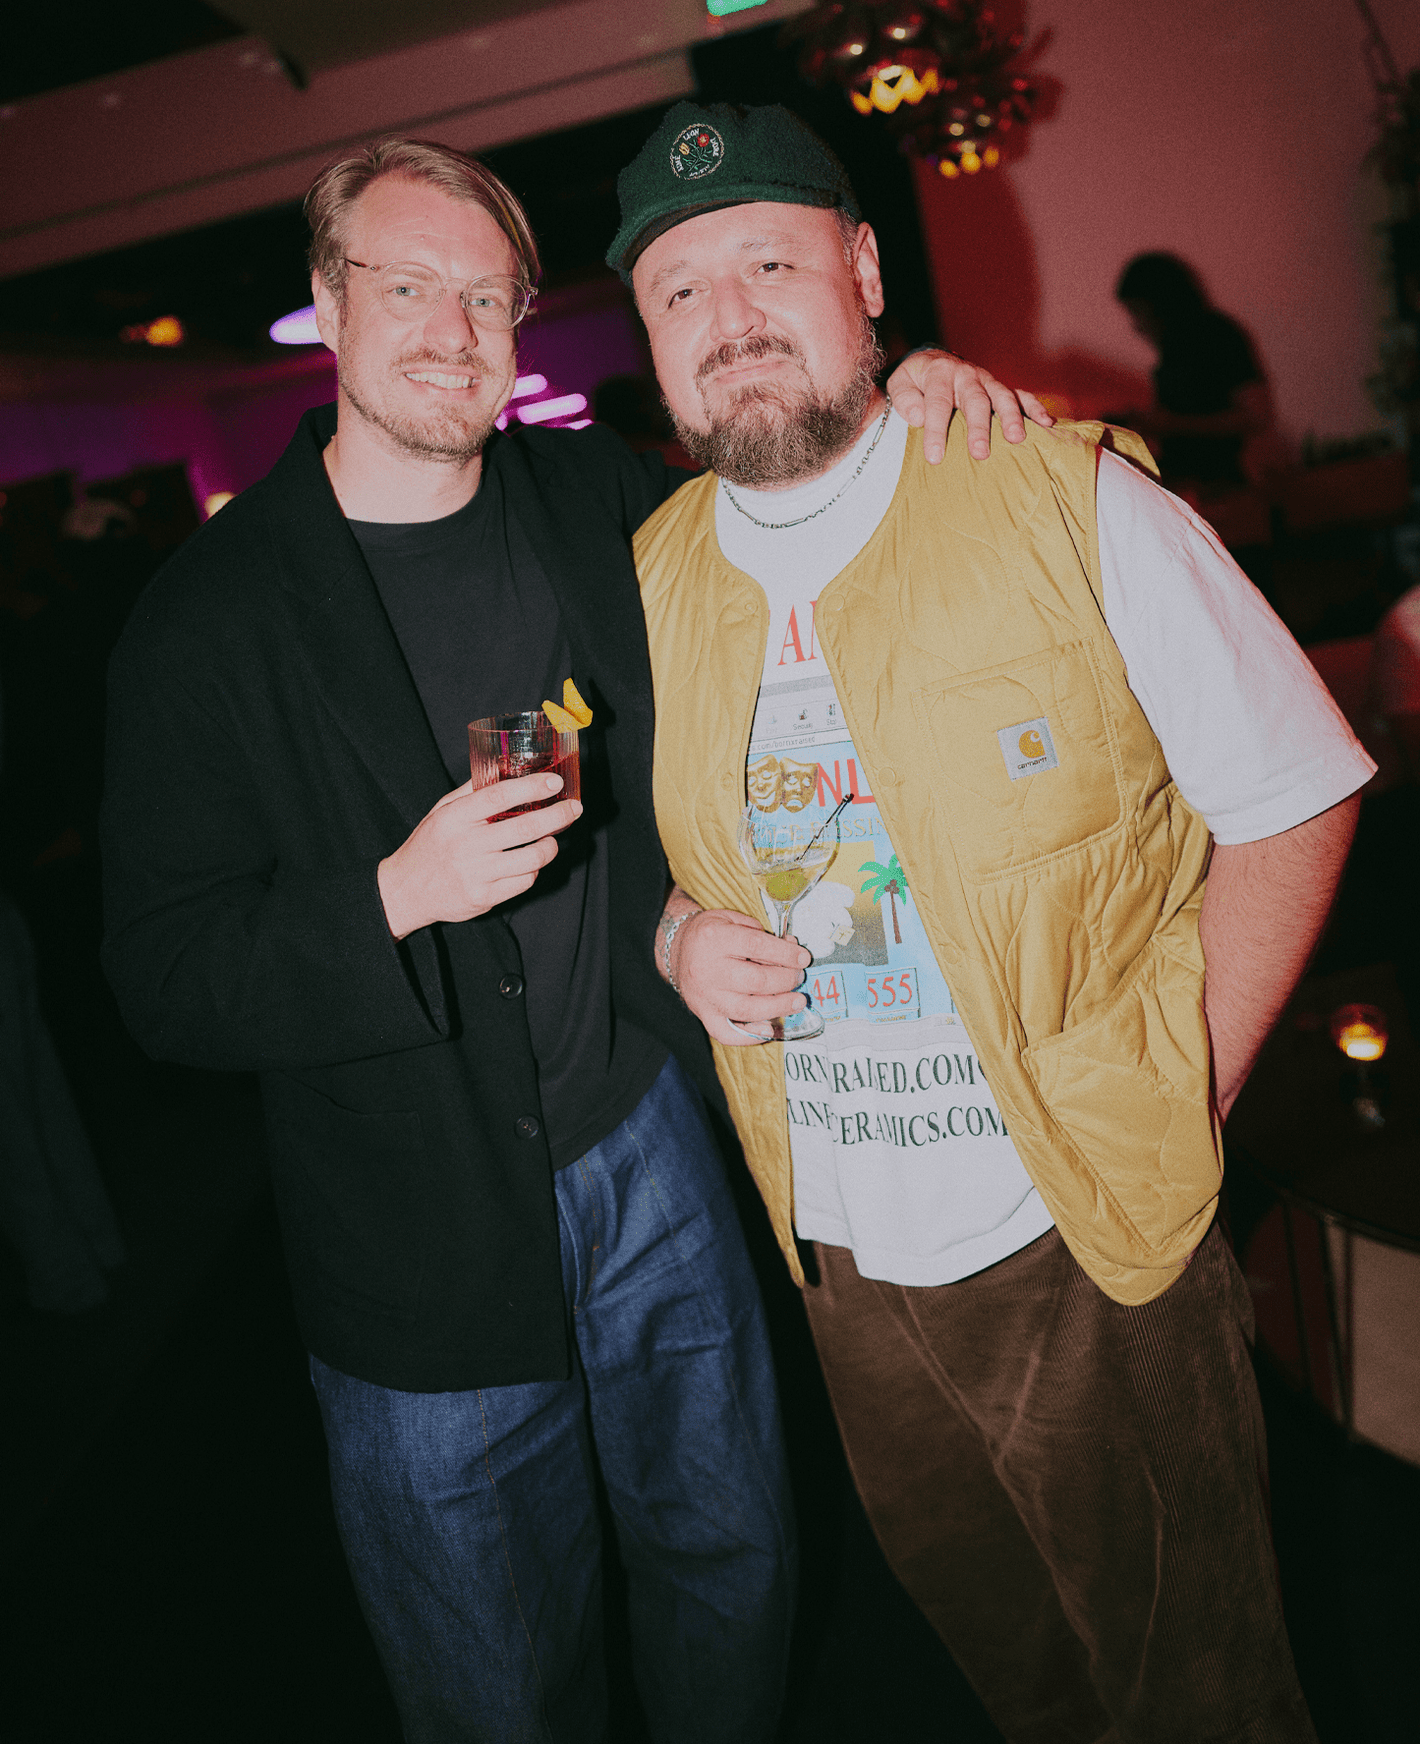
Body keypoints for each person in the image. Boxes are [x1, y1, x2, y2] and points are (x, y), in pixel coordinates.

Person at [99, 134, 1039, 1740]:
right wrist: (396, 895)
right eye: (408, 286)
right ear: (329, 302)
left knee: (734, 1563)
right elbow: (163, 981)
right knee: (492, 1673)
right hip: (414, 1235)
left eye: (487, 296)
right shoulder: (205, 620)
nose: (452, 330)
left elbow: (796, 493)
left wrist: (909, 396)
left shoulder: (599, 498)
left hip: (646, 1144)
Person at [615, 102, 1376, 1742]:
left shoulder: (1057, 494)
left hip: (1080, 1239)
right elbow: (640, 839)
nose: (728, 315)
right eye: (679, 289)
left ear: (866, 271)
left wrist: (1181, 1091)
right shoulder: (646, 578)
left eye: (770, 263)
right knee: (1014, 1672)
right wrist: (676, 931)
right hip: (839, 1254)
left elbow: (1298, 794)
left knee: (1202, 1696)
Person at [1112, 250, 1272, 490]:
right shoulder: (1172, 354)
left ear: (1159, 306)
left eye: (1138, 312)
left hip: (1223, 487)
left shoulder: (1220, 337)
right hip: (1193, 485)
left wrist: (1172, 424)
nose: (1137, 326)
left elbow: (1256, 415)